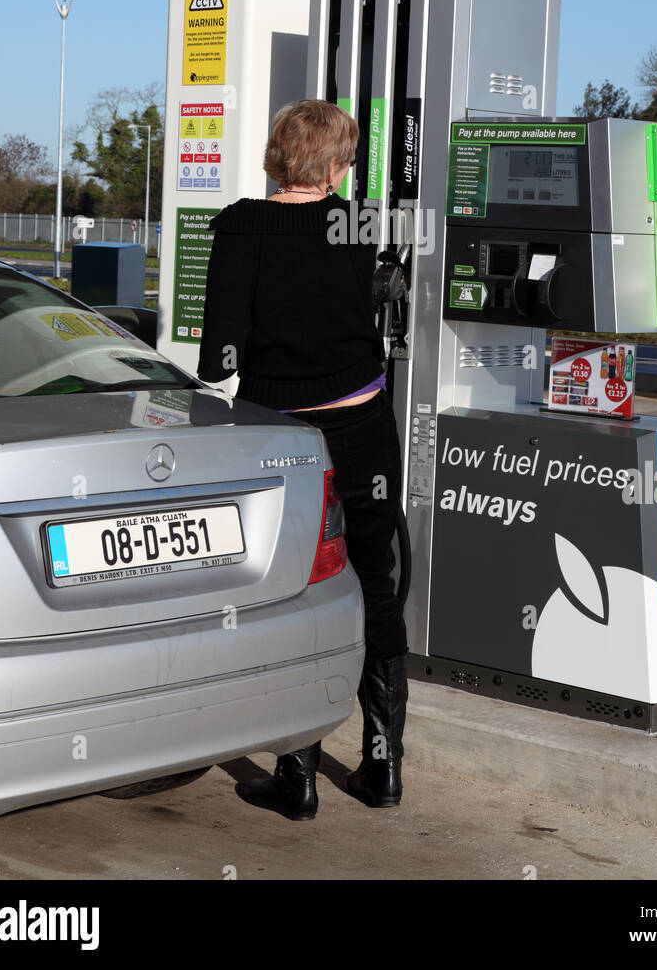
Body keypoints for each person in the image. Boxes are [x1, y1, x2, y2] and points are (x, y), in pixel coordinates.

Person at [196, 99, 407, 820]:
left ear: (275, 153)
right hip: (362, 425)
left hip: (281, 440)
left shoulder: (240, 227)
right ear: (339, 164)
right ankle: (383, 771)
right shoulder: (364, 225)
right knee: (374, 584)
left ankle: (300, 777)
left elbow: (219, 355)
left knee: (295, 592)